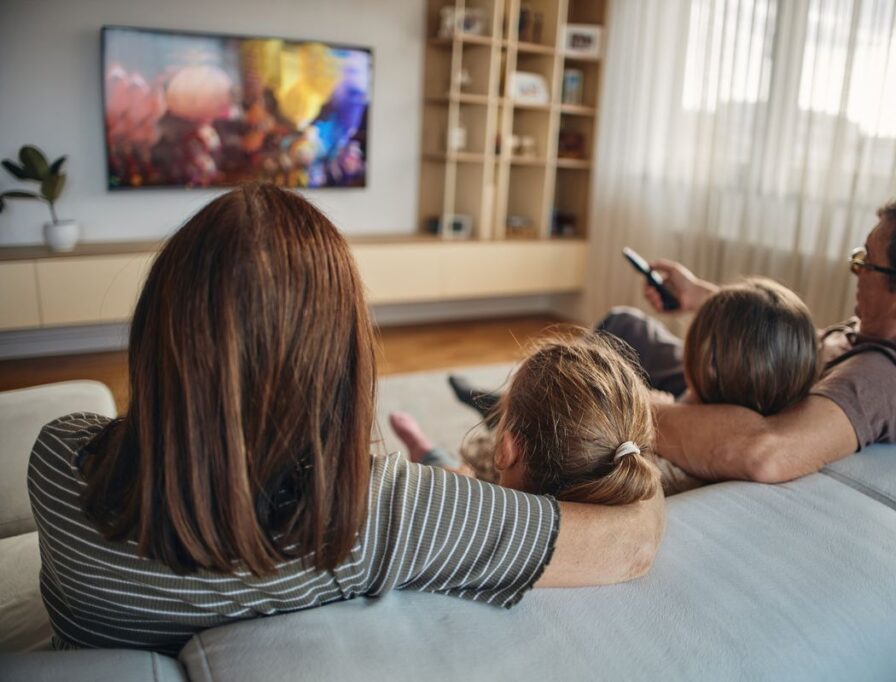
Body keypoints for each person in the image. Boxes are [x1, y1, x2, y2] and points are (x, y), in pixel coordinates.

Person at [26, 184, 664, 656]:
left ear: (158, 331)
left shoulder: (57, 462)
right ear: (340, 363)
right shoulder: (373, 511)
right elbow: (631, 544)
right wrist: (641, 435)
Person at [618, 193, 896, 483]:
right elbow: (801, 342)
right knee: (628, 325)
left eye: (867, 263)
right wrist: (704, 298)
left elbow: (766, 453)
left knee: (620, 334)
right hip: (754, 369)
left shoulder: (883, 381)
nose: (857, 271)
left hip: (738, 387)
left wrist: (630, 406)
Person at [445, 279, 821, 494]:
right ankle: (508, 408)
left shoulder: (654, 441)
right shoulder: (786, 391)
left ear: (705, 360)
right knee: (624, 323)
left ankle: (515, 413)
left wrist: (648, 407)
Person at [391, 332, 662, 503]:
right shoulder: (633, 509)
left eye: (503, 413)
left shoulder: (472, 510)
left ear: (505, 450)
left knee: (445, 471)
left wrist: (458, 480)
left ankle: (423, 449)